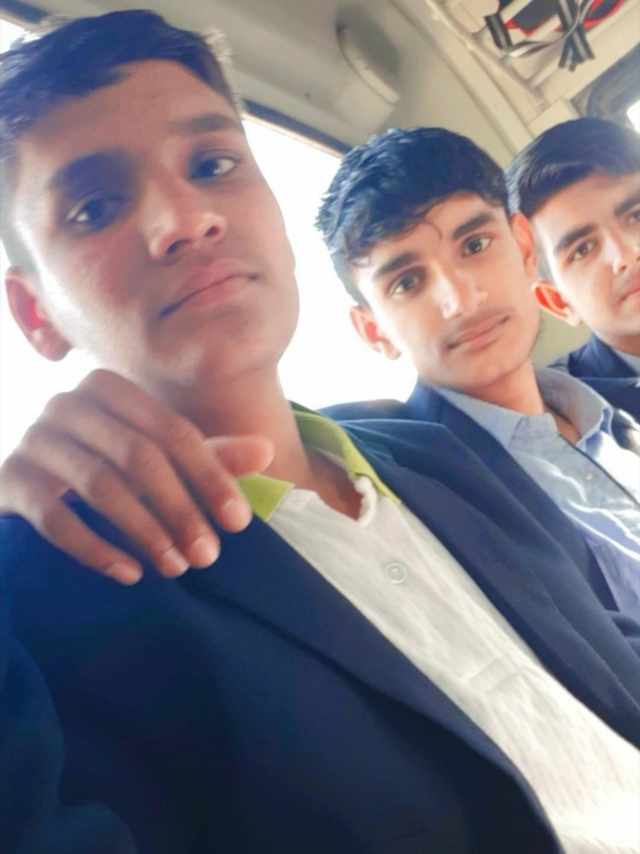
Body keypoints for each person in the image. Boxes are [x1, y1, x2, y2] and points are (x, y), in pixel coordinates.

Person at [1, 12, 639, 854]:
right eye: (94, 207)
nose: (185, 218)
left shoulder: (438, 455)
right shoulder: (46, 606)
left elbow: (610, 664)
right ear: (35, 313)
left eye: (213, 164)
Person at [317, 126, 640, 622]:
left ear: (524, 248)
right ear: (374, 331)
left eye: (475, 245)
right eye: (408, 281)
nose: (462, 300)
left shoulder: (610, 418)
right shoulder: (409, 480)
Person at [505, 117, 640, 419]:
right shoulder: (561, 417)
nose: (626, 255)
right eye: (583, 250)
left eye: (637, 216)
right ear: (558, 302)